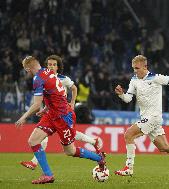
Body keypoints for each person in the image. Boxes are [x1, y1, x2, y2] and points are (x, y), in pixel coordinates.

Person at [15, 56, 106, 184]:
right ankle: (48, 175)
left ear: (28, 68)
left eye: (26, 70)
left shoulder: (38, 78)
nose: (27, 73)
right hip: (52, 114)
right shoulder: (49, 73)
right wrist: (46, 108)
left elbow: (36, 104)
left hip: (63, 117)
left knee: (70, 151)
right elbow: (56, 94)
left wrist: (23, 117)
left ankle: (99, 158)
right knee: (33, 141)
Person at [114, 55, 169, 176]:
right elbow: (128, 99)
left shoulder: (155, 77)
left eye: (137, 68)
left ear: (145, 67)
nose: (135, 70)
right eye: (133, 68)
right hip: (146, 118)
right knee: (164, 147)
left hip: (153, 117)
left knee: (129, 134)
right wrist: (121, 94)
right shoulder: (134, 80)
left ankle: (129, 167)